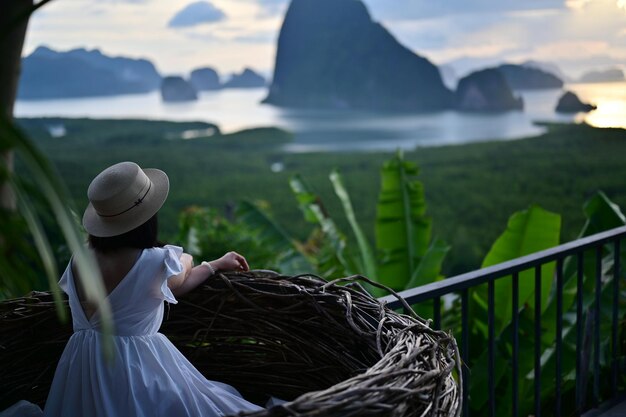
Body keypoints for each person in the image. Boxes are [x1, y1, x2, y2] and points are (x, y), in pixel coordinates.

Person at [43, 161, 265, 417]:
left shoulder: (79, 258)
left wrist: (211, 267)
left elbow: (159, 290)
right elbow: (183, 270)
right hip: (135, 368)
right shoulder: (154, 262)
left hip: (82, 366)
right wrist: (212, 264)